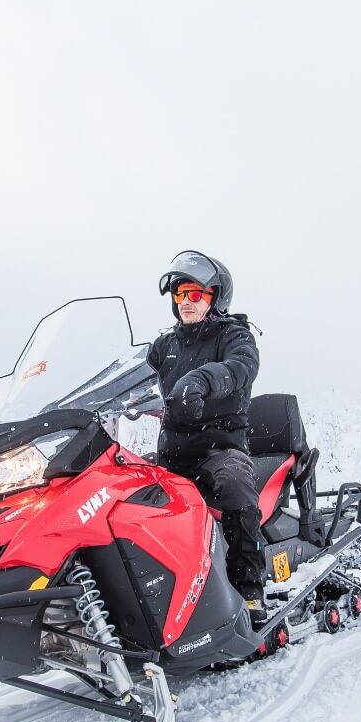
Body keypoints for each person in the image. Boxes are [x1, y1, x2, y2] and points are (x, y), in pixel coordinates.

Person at [146, 250, 269, 621]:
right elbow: (133, 376)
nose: (185, 302)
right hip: (171, 455)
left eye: (195, 294)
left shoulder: (234, 336)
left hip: (219, 449)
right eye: (180, 294)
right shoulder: (164, 346)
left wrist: (203, 379)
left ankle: (249, 591)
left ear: (216, 298)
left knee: (235, 490)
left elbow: (241, 367)